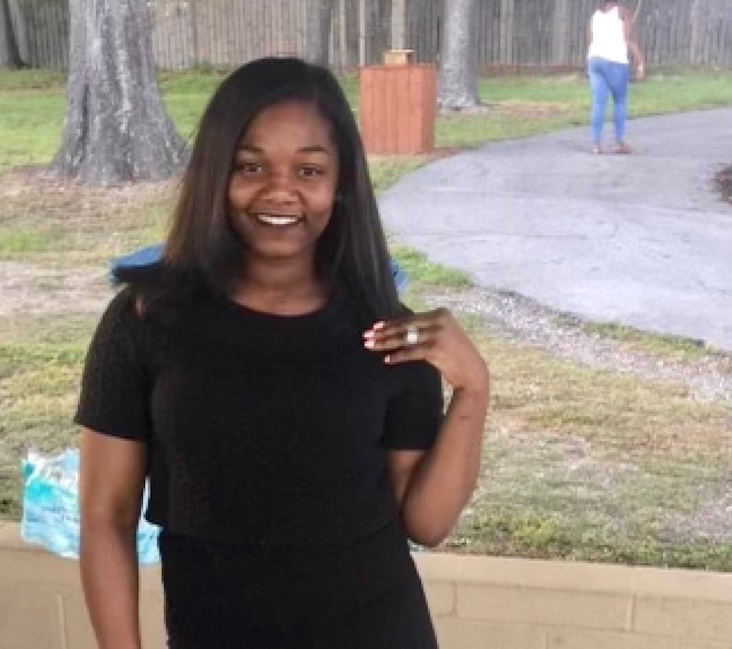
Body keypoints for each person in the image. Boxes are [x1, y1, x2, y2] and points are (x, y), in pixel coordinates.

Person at [75, 56, 489, 649]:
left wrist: (474, 388)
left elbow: (426, 522)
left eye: (309, 170)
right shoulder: (147, 318)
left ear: (340, 184)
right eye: (250, 166)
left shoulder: (386, 331)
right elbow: (106, 516)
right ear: (216, 173)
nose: (279, 190)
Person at [587, 1, 646, 154]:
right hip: (616, 61)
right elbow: (629, 39)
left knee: (599, 103)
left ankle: (596, 144)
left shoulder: (595, 15)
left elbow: (591, 40)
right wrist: (640, 63)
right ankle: (618, 143)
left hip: (595, 60)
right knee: (620, 102)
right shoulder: (623, 12)